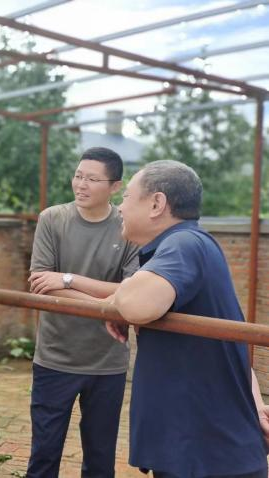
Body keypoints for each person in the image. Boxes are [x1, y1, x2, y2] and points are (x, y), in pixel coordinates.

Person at [108, 160, 268, 477]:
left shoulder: (183, 243)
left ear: (157, 204)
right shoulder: (193, 244)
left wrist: (117, 303)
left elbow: (137, 305)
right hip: (205, 448)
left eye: (126, 196)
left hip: (206, 454)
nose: (120, 207)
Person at [26, 147, 139, 478]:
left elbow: (132, 290)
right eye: (78, 176)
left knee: (100, 459)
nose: (81, 184)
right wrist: (108, 305)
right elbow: (41, 284)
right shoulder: (53, 219)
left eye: (92, 179)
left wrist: (67, 279)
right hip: (55, 356)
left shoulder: (128, 227)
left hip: (108, 362)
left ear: (115, 186)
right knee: (44, 455)